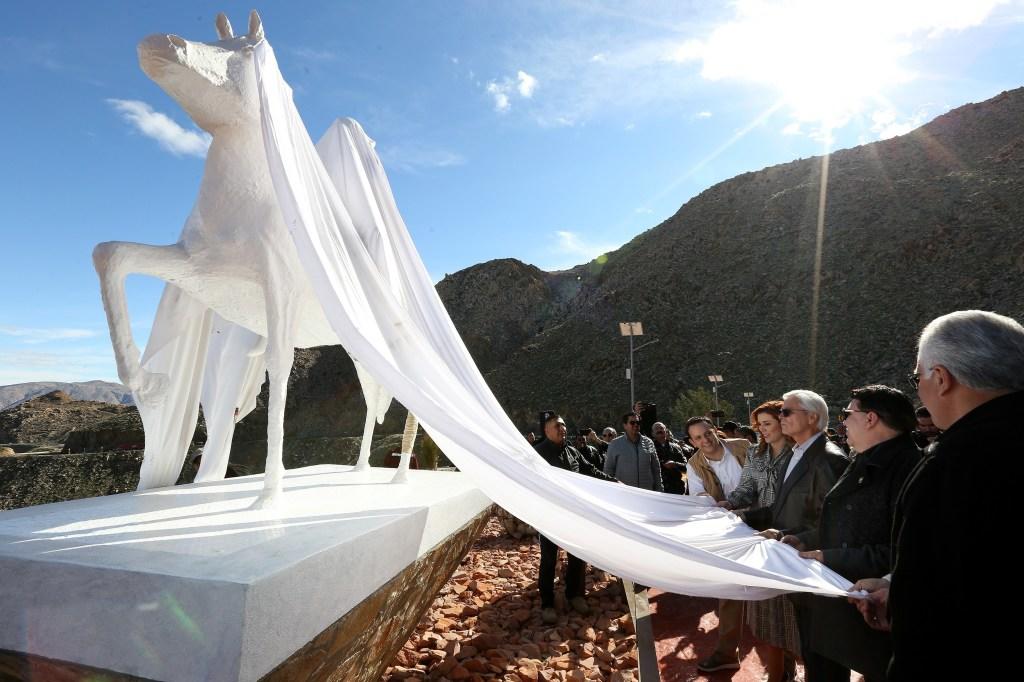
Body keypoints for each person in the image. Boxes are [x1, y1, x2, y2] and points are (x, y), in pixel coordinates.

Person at [852, 311, 1024, 681]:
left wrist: (901, 598)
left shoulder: (953, 465)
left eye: (918, 378)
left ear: (941, 379)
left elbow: (933, 603)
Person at [784, 385, 920, 682]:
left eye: (848, 413)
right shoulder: (864, 458)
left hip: (872, 609)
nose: (842, 421)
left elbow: (904, 551)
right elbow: (841, 522)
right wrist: (806, 540)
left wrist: (828, 556)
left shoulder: (910, 470)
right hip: (840, 603)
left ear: (870, 418)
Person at [745, 389, 847, 682]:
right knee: (811, 651)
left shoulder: (828, 460)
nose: (780, 417)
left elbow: (832, 525)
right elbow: (781, 508)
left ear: (813, 418)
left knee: (824, 659)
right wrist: (741, 516)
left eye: (786, 412)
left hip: (812, 570)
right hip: (795, 568)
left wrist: (786, 535)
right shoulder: (798, 454)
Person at [717, 401, 797, 682]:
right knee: (770, 607)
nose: (762, 431)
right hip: (761, 534)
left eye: (767, 424)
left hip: (792, 534)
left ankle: (790, 662)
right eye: (758, 425)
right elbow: (746, 488)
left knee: (792, 604)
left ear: (783, 423)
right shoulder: (755, 453)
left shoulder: (797, 454)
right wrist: (728, 504)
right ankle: (781, 669)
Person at [534, 412, 616, 623]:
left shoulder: (572, 452)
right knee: (549, 559)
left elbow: (591, 471)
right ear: (546, 430)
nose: (563, 429)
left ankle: (575, 595)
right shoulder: (537, 454)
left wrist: (615, 483)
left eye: (563, 425)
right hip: (549, 516)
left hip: (575, 516)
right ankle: (547, 603)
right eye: (557, 426)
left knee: (577, 556)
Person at [685, 416, 749, 673]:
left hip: (763, 522)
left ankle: (784, 661)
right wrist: (717, 507)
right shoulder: (694, 464)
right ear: (692, 441)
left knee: (775, 594)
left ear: (715, 431)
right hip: (728, 530)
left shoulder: (743, 447)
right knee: (730, 590)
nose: (705, 441)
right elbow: (699, 498)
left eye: (707, 434)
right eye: (698, 437)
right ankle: (726, 653)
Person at [604, 412, 664, 491]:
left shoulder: (648, 442)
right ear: (625, 425)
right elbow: (608, 471)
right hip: (624, 494)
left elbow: (656, 469)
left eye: (638, 422)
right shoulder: (615, 444)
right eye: (632, 423)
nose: (636, 425)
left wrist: (659, 489)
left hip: (647, 493)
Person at [651, 421, 689, 494]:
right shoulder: (649, 448)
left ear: (666, 431)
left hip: (676, 488)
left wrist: (675, 464)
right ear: (652, 433)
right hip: (658, 489)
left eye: (661, 428)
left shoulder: (676, 447)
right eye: (656, 429)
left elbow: (686, 466)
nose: (659, 430)